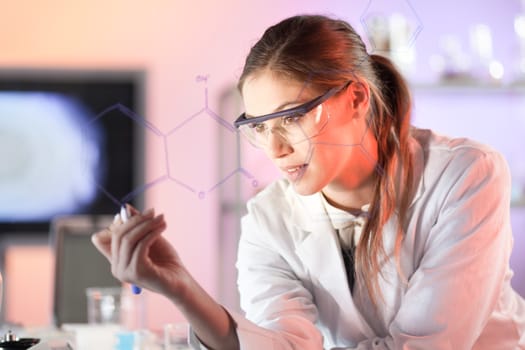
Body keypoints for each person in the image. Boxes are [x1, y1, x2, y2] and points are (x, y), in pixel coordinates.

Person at [92, 14, 525, 349]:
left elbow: (430, 343)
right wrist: (179, 286)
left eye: (293, 117)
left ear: (356, 98)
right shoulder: (268, 219)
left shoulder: (466, 174)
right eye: (259, 126)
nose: (274, 149)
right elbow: (281, 343)